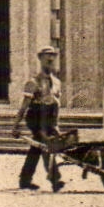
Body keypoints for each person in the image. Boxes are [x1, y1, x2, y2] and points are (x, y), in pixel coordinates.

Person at [10, 46, 64, 192]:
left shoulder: (57, 83)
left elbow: (56, 106)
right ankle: (55, 179)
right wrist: (15, 126)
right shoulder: (33, 82)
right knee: (46, 144)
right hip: (35, 119)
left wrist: (56, 125)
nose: (50, 60)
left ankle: (25, 180)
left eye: (53, 57)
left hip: (49, 119)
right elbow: (24, 107)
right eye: (47, 57)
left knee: (36, 148)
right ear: (40, 59)